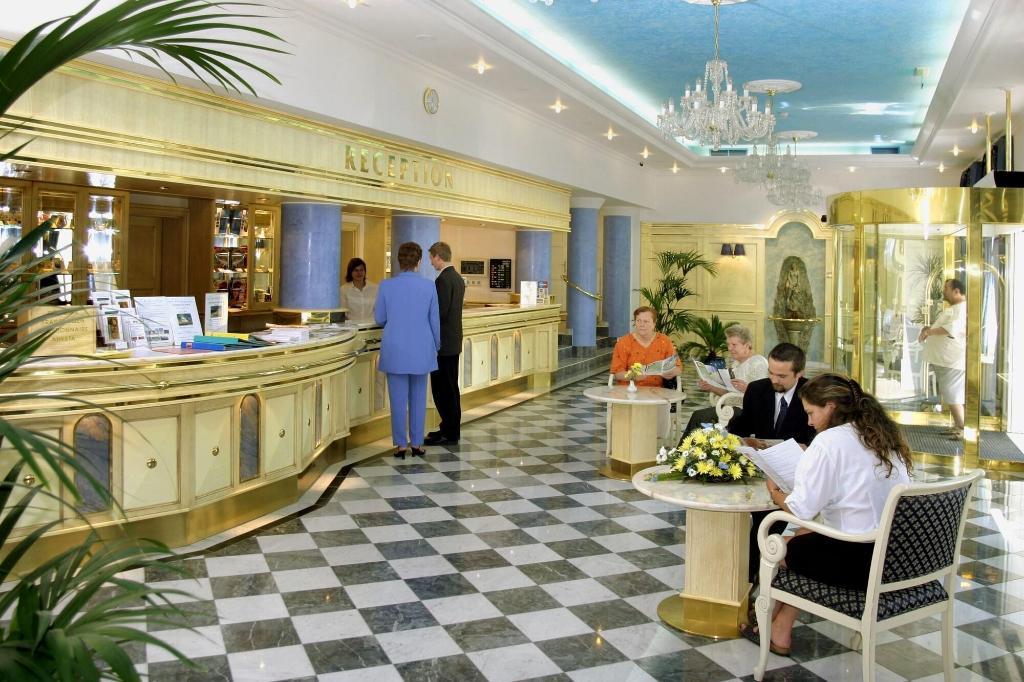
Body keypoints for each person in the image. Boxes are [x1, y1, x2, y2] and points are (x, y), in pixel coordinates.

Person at [739, 373, 912, 656]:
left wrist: (774, 489)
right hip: (899, 555)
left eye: (810, 413)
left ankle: (777, 629)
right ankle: (776, 623)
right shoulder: (881, 435)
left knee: (779, 547)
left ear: (830, 406)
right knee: (803, 534)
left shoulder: (829, 440)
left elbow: (800, 509)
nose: (809, 422)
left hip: (860, 563)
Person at [726, 342, 817, 583]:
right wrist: (738, 437)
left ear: (799, 373)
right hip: (761, 466)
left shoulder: (812, 395)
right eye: (771, 373)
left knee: (764, 523)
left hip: (796, 473)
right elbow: (744, 424)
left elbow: (817, 438)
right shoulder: (757, 389)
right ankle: (742, 573)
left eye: (782, 376)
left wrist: (804, 448)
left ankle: (751, 577)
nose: (774, 380)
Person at [374, 242, 440, 460]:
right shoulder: (429, 286)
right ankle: (417, 443)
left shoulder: (386, 286)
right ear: (419, 261)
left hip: (395, 348)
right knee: (419, 398)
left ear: (399, 261)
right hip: (421, 348)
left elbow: (380, 318)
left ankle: (401, 445)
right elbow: (434, 321)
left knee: (397, 400)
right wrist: (436, 345)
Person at [683, 324, 769, 435]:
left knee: (699, 417)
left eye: (734, 345)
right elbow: (730, 393)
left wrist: (747, 388)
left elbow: (764, 395)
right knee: (699, 417)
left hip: (747, 412)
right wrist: (711, 387)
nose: (729, 348)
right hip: (730, 408)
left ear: (747, 345)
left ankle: (688, 446)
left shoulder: (758, 362)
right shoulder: (736, 364)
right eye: (728, 344)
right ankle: (698, 446)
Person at [424, 241, 466, 446]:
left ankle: (449, 432)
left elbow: (438, 313)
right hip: (453, 342)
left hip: (443, 345)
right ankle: (449, 428)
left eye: (431, 258)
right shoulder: (457, 278)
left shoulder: (442, 280)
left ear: (438, 257)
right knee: (451, 388)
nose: (431, 262)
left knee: (442, 390)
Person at [918, 278, 966, 439]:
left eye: (946, 288)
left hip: (951, 360)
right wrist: (929, 328)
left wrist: (929, 332)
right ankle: (958, 425)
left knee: (953, 394)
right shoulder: (955, 308)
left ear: (956, 291)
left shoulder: (962, 309)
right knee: (949, 393)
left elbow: (951, 329)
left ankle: (962, 428)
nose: (944, 291)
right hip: (945, 359)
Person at [609, 306, 681, 387]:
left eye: (646, 321)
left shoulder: (664, 341)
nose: (641, 325)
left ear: (654, 324)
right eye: (638, 321)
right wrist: (632, 375)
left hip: (657, 391)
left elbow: (678, 368)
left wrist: (670, 372)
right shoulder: (624, 342)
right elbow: (617, 374)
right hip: (628, 390)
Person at [340, 257, 378, 323]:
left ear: (365, 271)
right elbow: (342, 313)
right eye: (356, 270)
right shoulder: (343, 290)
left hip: (372, 326)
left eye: (361, 270)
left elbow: (379, 310)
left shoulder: (375, 288)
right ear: (350, 272)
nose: (359, 273)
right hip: (352, 327)